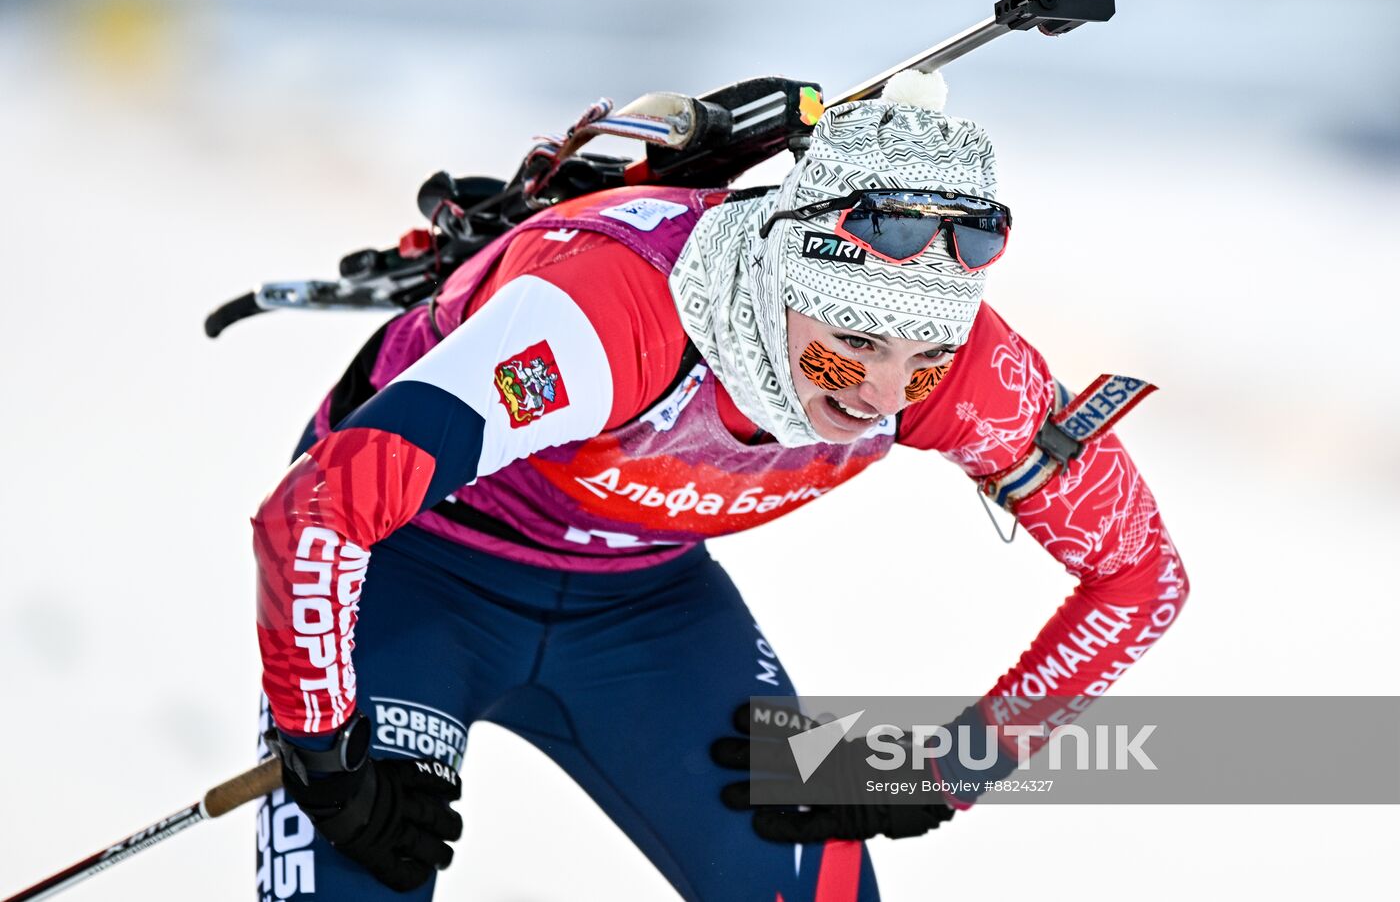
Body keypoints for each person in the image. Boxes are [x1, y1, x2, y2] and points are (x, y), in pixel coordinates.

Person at [250, 69, 1189, 902]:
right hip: (419, 566)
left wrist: (946, 768)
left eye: (926, 357)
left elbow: (1142, 579)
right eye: (850, 341)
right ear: (777, 276)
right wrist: (324, 756)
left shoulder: (974, 375)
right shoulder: (609, 314)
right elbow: (317, 510)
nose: (881, 393)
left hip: (643, 605)